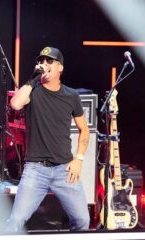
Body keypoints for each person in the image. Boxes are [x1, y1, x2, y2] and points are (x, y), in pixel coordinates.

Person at [7, 46, 90, 231]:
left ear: (60, 67)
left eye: (49, 61)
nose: (44, 64)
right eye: (41, 61)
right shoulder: (33, 90)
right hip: (36, 170)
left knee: (83, 221)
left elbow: (84, 130)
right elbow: (15, 103)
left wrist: (79, 159)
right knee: (15, 222)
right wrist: (32, 78)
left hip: (64, 169)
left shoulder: (71, 96)